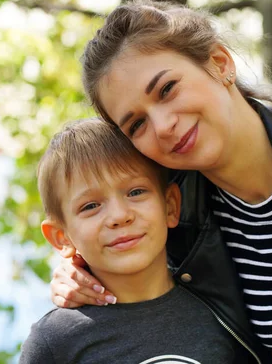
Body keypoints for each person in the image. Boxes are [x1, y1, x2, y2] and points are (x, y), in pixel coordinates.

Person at [49, 0, 272, 364]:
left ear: (219, 63)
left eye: (167, 89)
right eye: (137, 124)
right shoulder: (181, 220)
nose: (163, 126)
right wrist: (81, 274)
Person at [20, 118, 250, 363]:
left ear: (170, 206)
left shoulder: (223, 308)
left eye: (136, 192)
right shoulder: (55, 341)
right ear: (61, 237)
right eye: (90, 206)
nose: (119, 216)